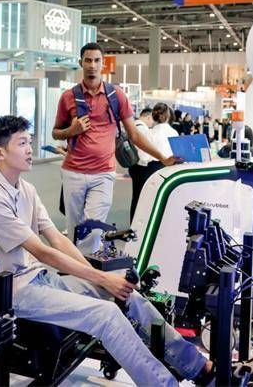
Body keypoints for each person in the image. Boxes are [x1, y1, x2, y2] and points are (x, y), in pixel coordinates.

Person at [0, 115, 215, 387]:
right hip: (12, 293)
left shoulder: (25, 189)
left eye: (29, 141)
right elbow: (43, 252)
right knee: (107, 315)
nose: (29, 149)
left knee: (128, 295)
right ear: (0, 153)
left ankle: (199, 367)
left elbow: (57, 239)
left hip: (39, 279)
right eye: (22, 143)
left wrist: (99, 279)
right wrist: (101, 278)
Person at [52, 43, 176, 253]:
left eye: (97, 60)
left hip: (103, 173)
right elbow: (56, 132)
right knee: (74, 230)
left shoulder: (116, 95)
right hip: (73, 172)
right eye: (88, 60)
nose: (92, 65)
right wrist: (71, 130)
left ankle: (85, 266)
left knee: (93, 228)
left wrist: (162, 157)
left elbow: (134, 134)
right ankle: (77, 263)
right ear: (81, 63)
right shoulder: (68, 97)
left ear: (103, 64)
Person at [127, 107, 161, 222]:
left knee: (136, 197)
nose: (152, 123)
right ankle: (136, 224)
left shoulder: (132, 126)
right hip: (141, 167)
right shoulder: (142, 129)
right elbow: (144, 153)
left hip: (134, 165)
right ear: (148, 117)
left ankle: (134, 222)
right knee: (140, 198)